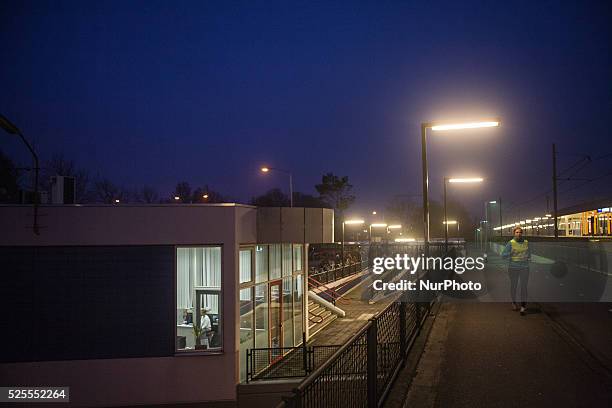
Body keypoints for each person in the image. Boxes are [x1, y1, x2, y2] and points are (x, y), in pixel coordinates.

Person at [501, 226, 531, 315]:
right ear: (514, 233)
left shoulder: (526, 242)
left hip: (525, 267)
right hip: (513, 268)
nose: (519, 234)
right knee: (514, 286)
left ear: (522, 233)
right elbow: (503, 256)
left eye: (520, 232)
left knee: (524, 287)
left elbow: (529, 253)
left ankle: (523, 306)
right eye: (517, 232)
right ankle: (514, 302)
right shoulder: (511, 243)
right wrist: (510, 253)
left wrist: (529, 257)